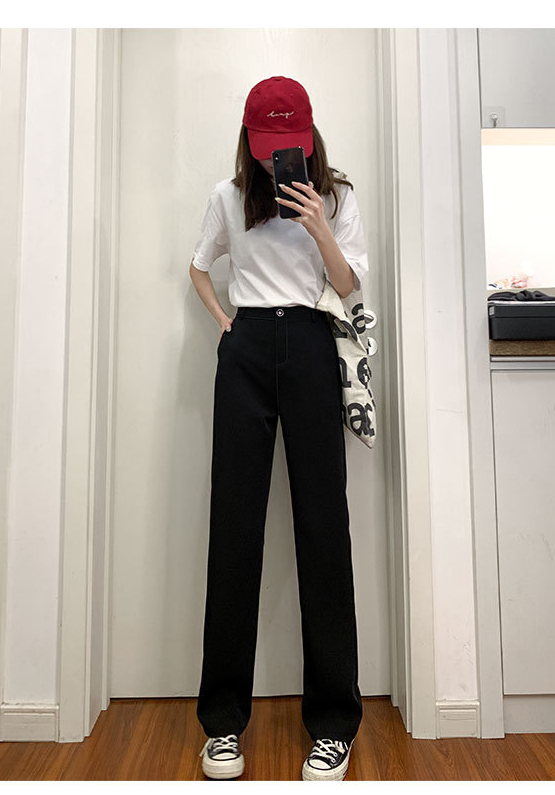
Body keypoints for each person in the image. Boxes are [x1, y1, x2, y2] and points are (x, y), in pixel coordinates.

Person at [189, 76, 368, 782]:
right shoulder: (228, 197)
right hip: (248, 349)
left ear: (308, 137)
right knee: (234, 529)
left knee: (324, 530)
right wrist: (225, 323)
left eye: (287, 145)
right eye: (267, 145)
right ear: (250, 138)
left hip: (314, 347)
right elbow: (199, 267)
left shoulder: (338, 197)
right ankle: (222, 724)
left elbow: (349, 287)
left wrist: (318, 224)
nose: (275, 159)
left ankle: (333, 724)